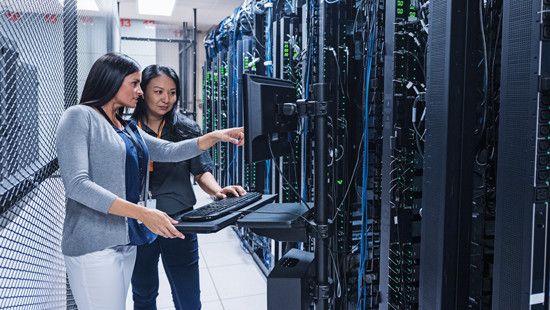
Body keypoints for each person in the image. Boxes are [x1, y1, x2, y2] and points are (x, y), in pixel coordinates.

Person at [55, 53, 244, 310]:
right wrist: (143, 213)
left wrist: (215, 136)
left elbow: (169, 151)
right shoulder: (79, 116)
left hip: (127, 239)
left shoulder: (124, 127)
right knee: (140, 295)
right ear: (112, 80)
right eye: (135, 84)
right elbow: (77, 184)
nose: (140, 92)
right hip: (95, 244)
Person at [130, 65, 246, 310]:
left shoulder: (186, 128)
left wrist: (217, 191)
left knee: (188, 297)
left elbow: (201, 170)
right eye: (159, 91)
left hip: (180, 221)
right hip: (140, 222)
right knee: (143, 293)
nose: (166, 99)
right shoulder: (127, 130)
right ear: (143, 92)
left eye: (172, 93)